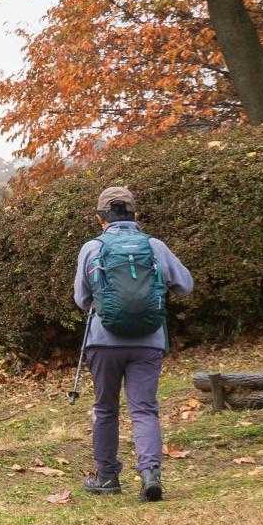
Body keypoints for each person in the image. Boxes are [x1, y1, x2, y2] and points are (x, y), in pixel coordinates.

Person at [74, 186, 193, 501]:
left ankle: (107, 477)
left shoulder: (92, 248)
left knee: (105, 408)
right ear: (134, 214)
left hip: (103, 341)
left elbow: (81, 299)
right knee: (144, 409)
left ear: (100, 218)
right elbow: (185, 285)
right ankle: (150, 474)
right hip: (148, 341)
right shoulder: (154, 246)